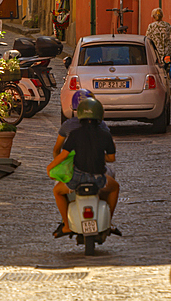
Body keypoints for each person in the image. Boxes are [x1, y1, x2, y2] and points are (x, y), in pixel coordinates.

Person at [47, 97, 120, 237]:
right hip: (99, 179)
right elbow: (111, 158)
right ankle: (108, 223)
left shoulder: (74, 134)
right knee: (115, 187)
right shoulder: (105, 134)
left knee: (57, 191)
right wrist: (98, 155)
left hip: (76, 179)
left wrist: (49, 168)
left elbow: (62, 155)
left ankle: (67, 226)